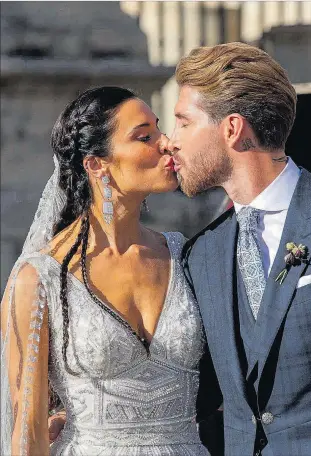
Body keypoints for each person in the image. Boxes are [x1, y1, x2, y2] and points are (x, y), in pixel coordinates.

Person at [167, 42, 311, 455]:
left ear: (232, 128)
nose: (171, 141)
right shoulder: (200, 256)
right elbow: (198, 395)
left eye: (183, 123)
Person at [0, 86, 221, 456]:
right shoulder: (40, 279)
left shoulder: (184, 256)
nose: (166, 144)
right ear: (96, 164)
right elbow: (28, 434)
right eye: (145, 136)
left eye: (160, 130)